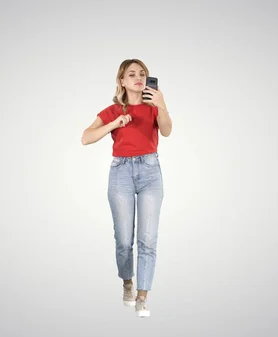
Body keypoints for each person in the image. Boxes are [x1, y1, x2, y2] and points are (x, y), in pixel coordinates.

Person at [81, 59, 172, 318]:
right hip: (121, 173)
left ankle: (143, 296)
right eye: (131, 74)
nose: (138, 77)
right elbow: (85, 137)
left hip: (150, 172)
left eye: (142, 74)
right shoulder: (112, 110)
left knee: (148, 239)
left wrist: (162, 105)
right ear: (122, 81)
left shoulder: (154, 108)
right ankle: (127, 283)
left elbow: (166, 131)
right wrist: (114, 124)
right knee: (123, 240)